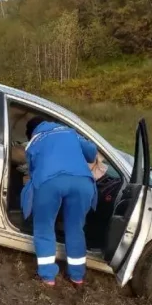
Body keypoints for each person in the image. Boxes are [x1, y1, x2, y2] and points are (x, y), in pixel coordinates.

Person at [20, 116, 99, 287]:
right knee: (76, 228)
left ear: (31, 132)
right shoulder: (70, 132)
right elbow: (92, 154)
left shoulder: (33, 143)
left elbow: (32, 171)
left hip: (49, 182)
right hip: (82, 182)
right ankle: (77, 275)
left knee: (44, 227)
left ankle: (48, 276)